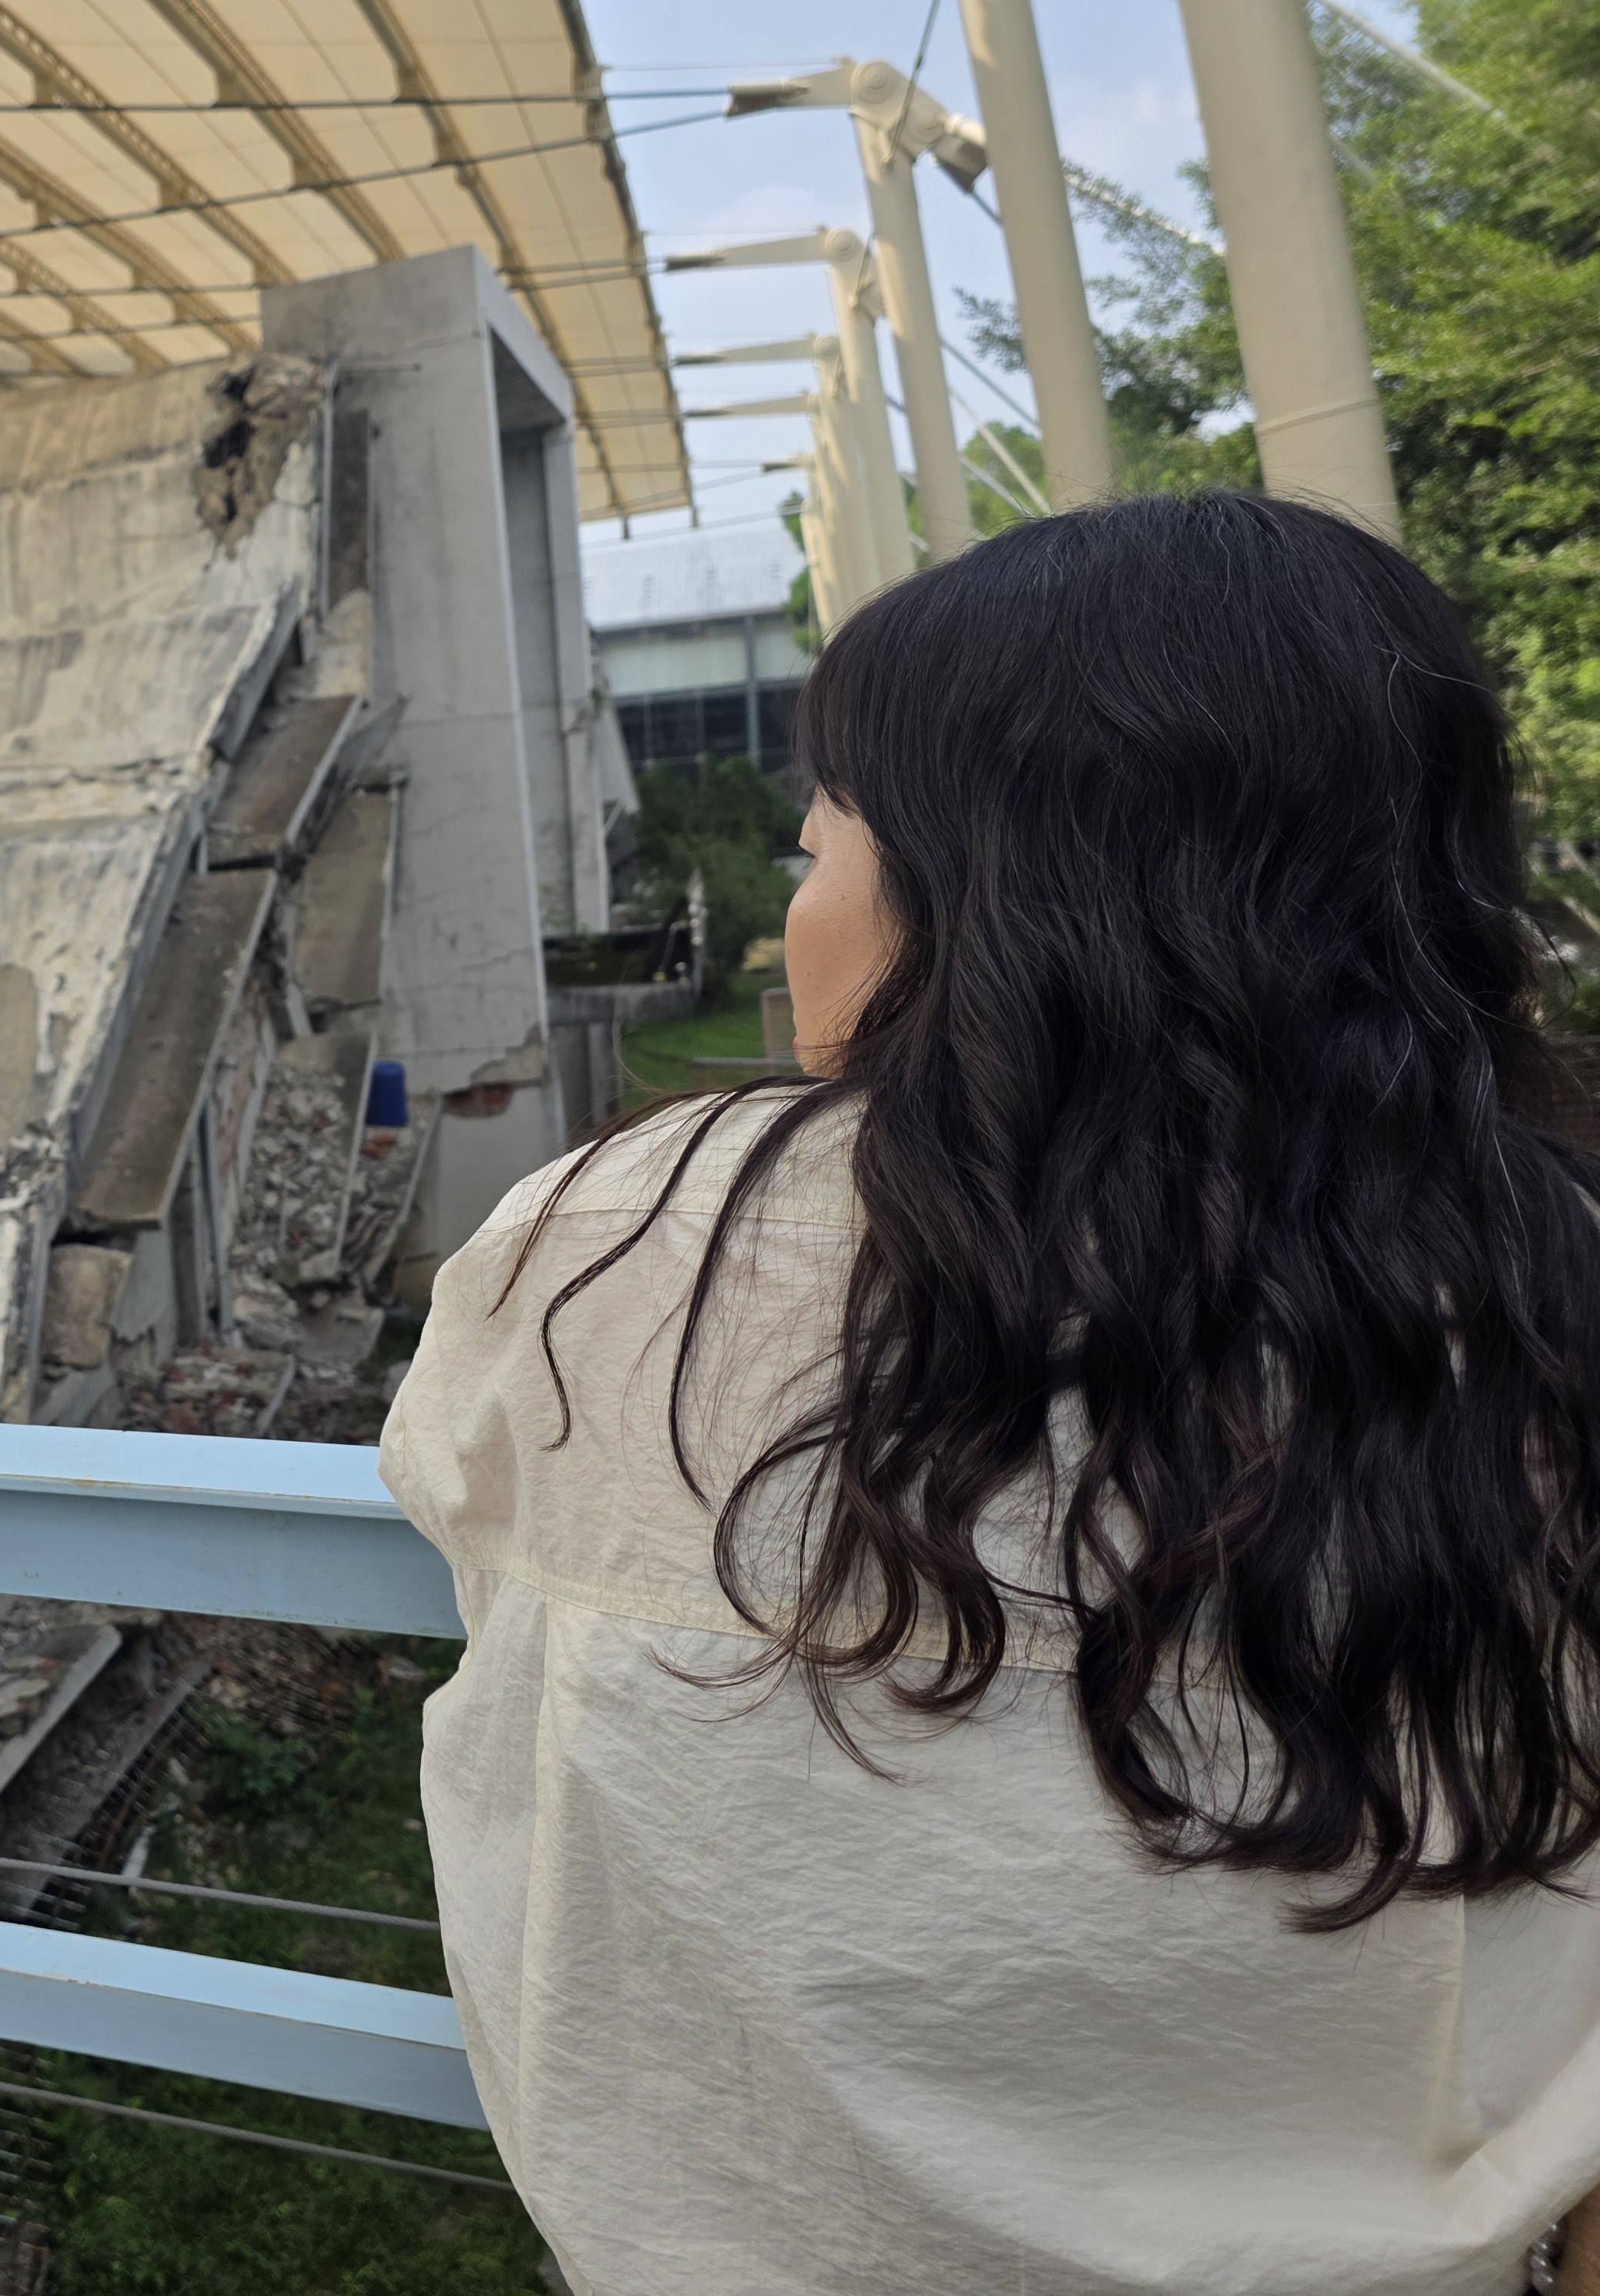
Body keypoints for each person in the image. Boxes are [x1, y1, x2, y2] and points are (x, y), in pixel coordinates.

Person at [380, 491, 1600, 2295]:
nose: (794, 919)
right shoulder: (1534, 1286)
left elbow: (453, 1495)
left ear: (980, 896)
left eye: (817, 848)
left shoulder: (610, 1242)